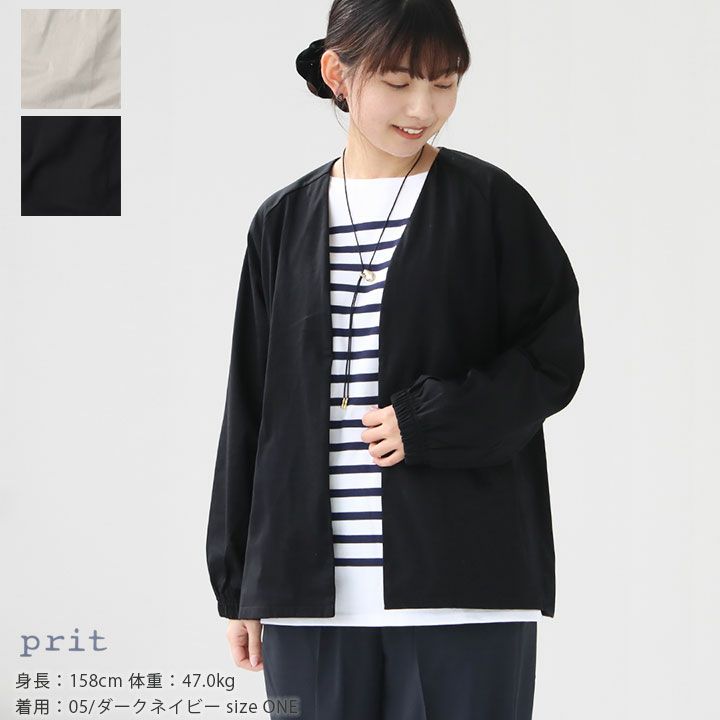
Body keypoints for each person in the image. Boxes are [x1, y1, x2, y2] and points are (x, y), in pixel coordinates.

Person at [206, 1, 585, 718]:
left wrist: (432, 420)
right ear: (338, 74)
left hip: (461, 588)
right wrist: (239, 584)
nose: (423, 108)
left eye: (444, 83)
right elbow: (250, 407)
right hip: (305, 599)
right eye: (400, 81)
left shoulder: (490, 204)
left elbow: (552, 359)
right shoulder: (282, 222)